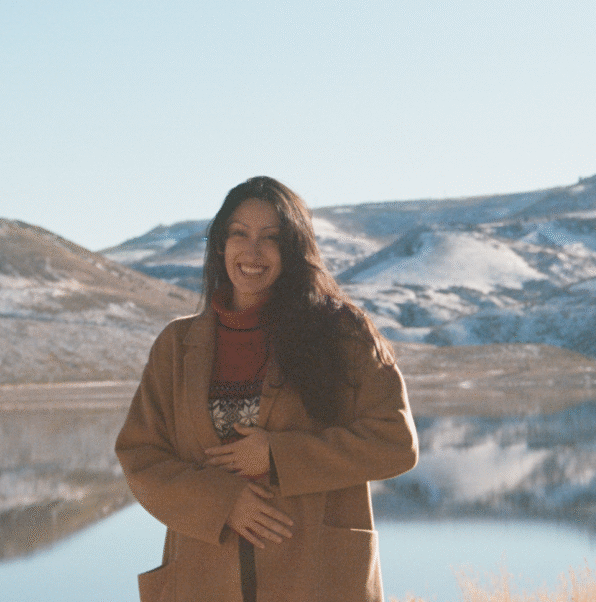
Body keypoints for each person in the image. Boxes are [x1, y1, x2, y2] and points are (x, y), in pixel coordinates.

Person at [116, 176, 418, 602]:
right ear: (220, 246)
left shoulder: (341, 333)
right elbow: (140, 456)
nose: (252, 252)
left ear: (293, 250)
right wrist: (223, 502)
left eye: (271, 238)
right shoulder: (177, 345)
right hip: (203, 581)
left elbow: (396, 442)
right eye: (239, 234)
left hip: (315, 577)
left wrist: (277, 455)